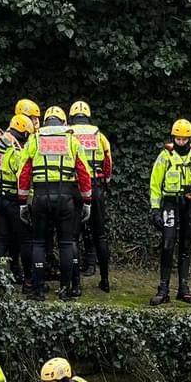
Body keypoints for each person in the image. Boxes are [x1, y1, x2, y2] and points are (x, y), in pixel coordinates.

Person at [17, 105, 93, 300]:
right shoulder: (72, 140)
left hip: (41, 196)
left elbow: (24, 173)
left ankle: (39, 290)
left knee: (39, 243)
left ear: (44, 123)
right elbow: (84, 173)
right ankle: (66, 291)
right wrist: (87, 201)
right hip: (66, 196)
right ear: (63, 122)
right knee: (66, 243)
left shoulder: (34, 139)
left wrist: (23, 202)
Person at [149, 118, 191, 305]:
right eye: (178, 139)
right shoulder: (165, 156)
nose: (181, 142)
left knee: (186, 245)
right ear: (173, 137)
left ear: (190, 138)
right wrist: (155, 210)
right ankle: (163, 289)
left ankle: (183, 288)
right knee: (168, 243)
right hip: (170, 203)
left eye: (184, 139)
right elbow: (155, 183)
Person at [67, 100, 115, 292]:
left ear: (71, 117)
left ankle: (75, 284)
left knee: (72, 236)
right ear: (88, 116)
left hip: (74, 187)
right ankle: (105, 280)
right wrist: (105, 181)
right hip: (96, 187)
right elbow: (108, 163)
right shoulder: (99, 135)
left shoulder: (68, 134)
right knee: (100, 235)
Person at [0, 113, 36, 290]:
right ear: (23, 132)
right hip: (13, 199)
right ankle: (29, 281)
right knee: (26, 239)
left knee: (3, 238)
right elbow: (22, 177)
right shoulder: (16, 152)